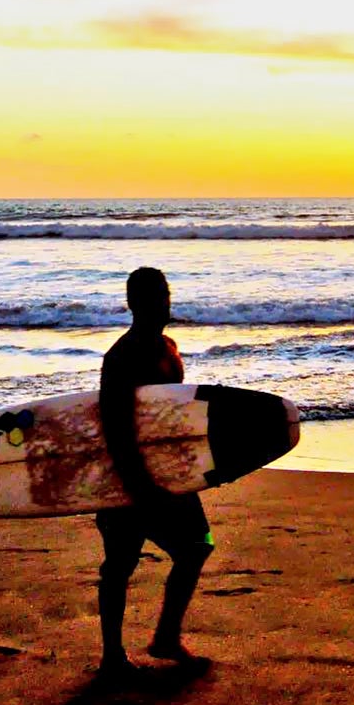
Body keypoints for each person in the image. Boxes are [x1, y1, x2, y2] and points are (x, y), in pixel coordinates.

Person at [94, 267, 213, 681]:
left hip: (171, 474)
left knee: (199, 545)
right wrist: (137, 485)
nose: (163, 302)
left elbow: (173, 416)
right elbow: (115, 426)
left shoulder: (168, 346)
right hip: (129, 479)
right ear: (133, 304)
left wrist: (204, 469)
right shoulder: (122, 356)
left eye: (164, 294)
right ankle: (112, 656)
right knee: (119, 564)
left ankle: (165, 637)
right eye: (153, 297)